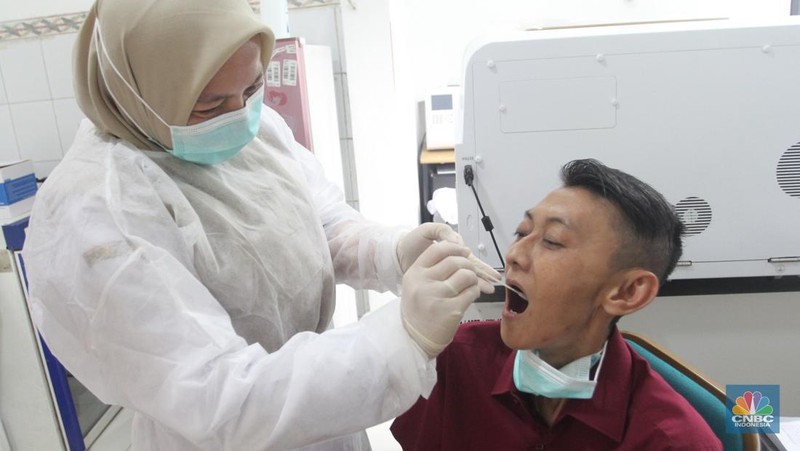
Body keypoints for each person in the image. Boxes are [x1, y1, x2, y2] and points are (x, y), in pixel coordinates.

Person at [20, 0, 499, 449]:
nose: (238, 115)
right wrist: (400, 340)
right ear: (137, 91)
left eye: (251, 88)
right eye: (209, 103)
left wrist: (391, 251)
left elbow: (317, 224)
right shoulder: (97, 210)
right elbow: (218, 398)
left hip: (324, 418)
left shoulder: (252, 125)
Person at [391, 159, 723, 450]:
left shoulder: (670, 440)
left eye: (552, 241)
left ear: (627, 292)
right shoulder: (453, 362)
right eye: (522, 233)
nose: (514, 255)